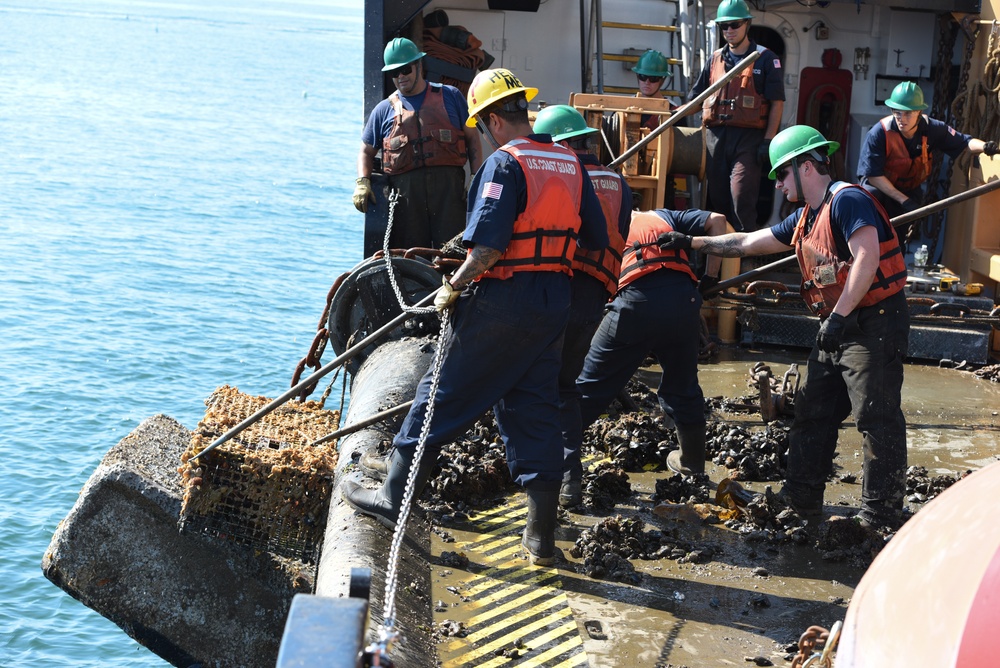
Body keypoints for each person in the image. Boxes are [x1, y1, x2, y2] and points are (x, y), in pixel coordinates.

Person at [342, 69, 609, 566]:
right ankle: (540, 538)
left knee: (439, 394)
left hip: (503, 300)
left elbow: (486, 248)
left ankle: (392, 496)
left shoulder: (505, 164)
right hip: (555, 300)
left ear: (489, 120)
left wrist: (452, 286)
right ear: (520, 111)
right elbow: (595, 236)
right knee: (535, 407)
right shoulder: (571, 161)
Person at [659, 125, 910, 529]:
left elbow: (867, 258)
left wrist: (840, 315)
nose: (777, 184)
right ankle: (801, 498)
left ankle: (880, 515)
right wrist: (691, 243)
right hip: (841, 323)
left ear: (806, 166)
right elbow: (746, 243)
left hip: (872, 323)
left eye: (782, 174)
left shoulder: (848, 201)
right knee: (813, 410)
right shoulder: (807, 217)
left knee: (875, 416)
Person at [573, 207, 727, 478]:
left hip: (635, 302)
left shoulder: (602, 221)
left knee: (588, 388)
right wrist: (710, 277)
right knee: (684, 386)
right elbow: (718, 221)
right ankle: (692, 464)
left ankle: (563, 478)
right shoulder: (665, 216)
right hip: (684, 300)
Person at [532, 105, 633, 507]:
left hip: (559, 290)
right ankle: (571, 482)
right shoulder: (619, 183)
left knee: (535, 386)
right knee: (565, 387)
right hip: (595, 299)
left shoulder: (563, 175)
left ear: (562, 145)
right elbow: (620, 233)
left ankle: (542, 486)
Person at [353, 37, 482, 250]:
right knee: (411, 260)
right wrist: (362, 183)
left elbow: (473, 139)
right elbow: (365, 152)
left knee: (453, 255)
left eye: (405, 69)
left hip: (449, 197)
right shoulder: (383, 110)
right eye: (395, 73)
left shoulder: (451, 97)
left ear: (418, 65)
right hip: (406, 203)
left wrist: (476, 178)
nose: (401, 77)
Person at [689, 0, 785, 232]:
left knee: (741, 197)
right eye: (724, 26)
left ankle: (744, 258)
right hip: (716, 139)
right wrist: (668, 113)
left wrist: (768, 140)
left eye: (734, 25)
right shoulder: (713, 60)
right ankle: (719, 261)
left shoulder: (765, 59)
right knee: (718, 200)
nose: (729, 31)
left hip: (749, 140)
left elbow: (777, 103)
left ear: (747, 24)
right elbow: (695, 100)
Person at [858, 81, 998, 221]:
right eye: (897, 112)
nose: (901, 119)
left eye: (908, 113)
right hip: (881, 190)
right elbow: (873, 176)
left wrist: (986, 147)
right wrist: (904, 201)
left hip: (908, 189)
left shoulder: (933, 129)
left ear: (919, 112)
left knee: (899, 232)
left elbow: (965, 142)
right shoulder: (879, 134)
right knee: (870, 196)